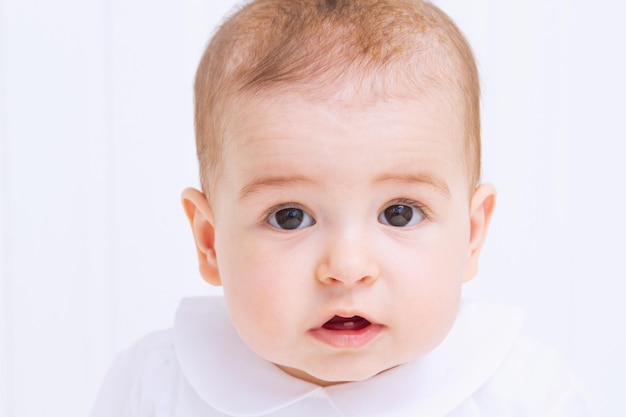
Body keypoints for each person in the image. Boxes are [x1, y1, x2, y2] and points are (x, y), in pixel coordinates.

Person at [91, 0, 591, 415]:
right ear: (209, 241)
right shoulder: (153, 389)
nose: (348, 268)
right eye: (290, 216)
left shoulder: (526, 396)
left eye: (400, 213)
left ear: (471, 234)